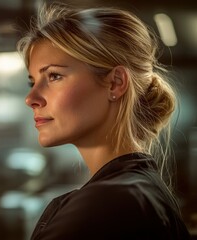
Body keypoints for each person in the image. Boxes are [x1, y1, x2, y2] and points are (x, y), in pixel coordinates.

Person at [16, 2, 191, 240]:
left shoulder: (109, 202)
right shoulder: (136, 190)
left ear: (115, 83)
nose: (31, 98)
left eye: (54, 76)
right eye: (32, 82)